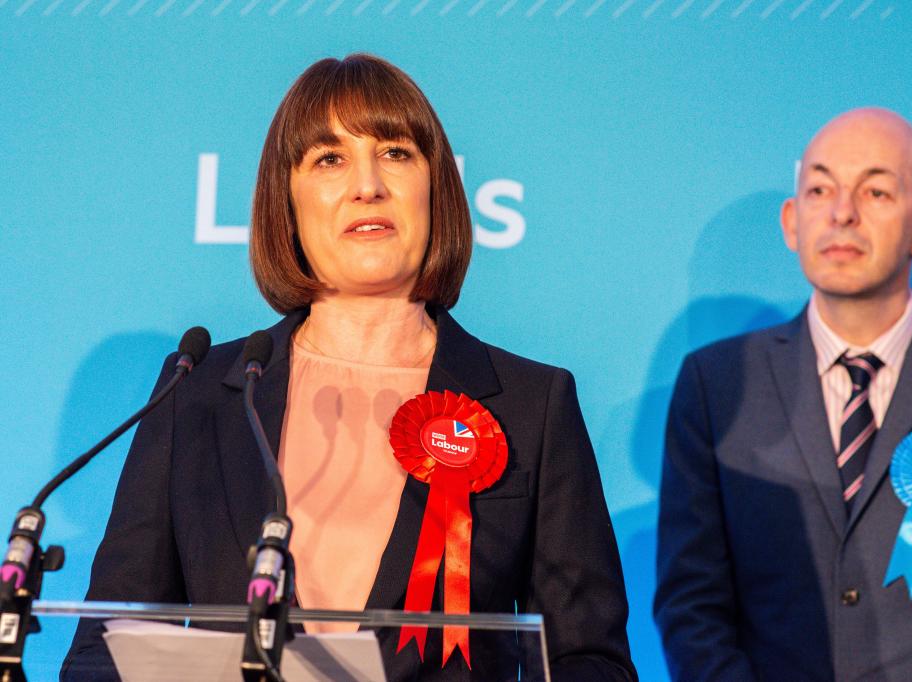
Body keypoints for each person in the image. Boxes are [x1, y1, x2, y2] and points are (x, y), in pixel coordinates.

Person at [62, 54, 636, 681]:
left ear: (434, 187)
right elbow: (108, 650)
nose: (368, 184)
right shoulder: (198, 393)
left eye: (395, 152)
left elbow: (588, 660)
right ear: (288, 199)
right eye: (329, 159)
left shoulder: (531, 404)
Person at [654, 108, 912, 681]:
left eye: (875, 192)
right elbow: (692, 606)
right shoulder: (716, 383)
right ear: (793, 222)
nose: (842, 213)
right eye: (820, 188)